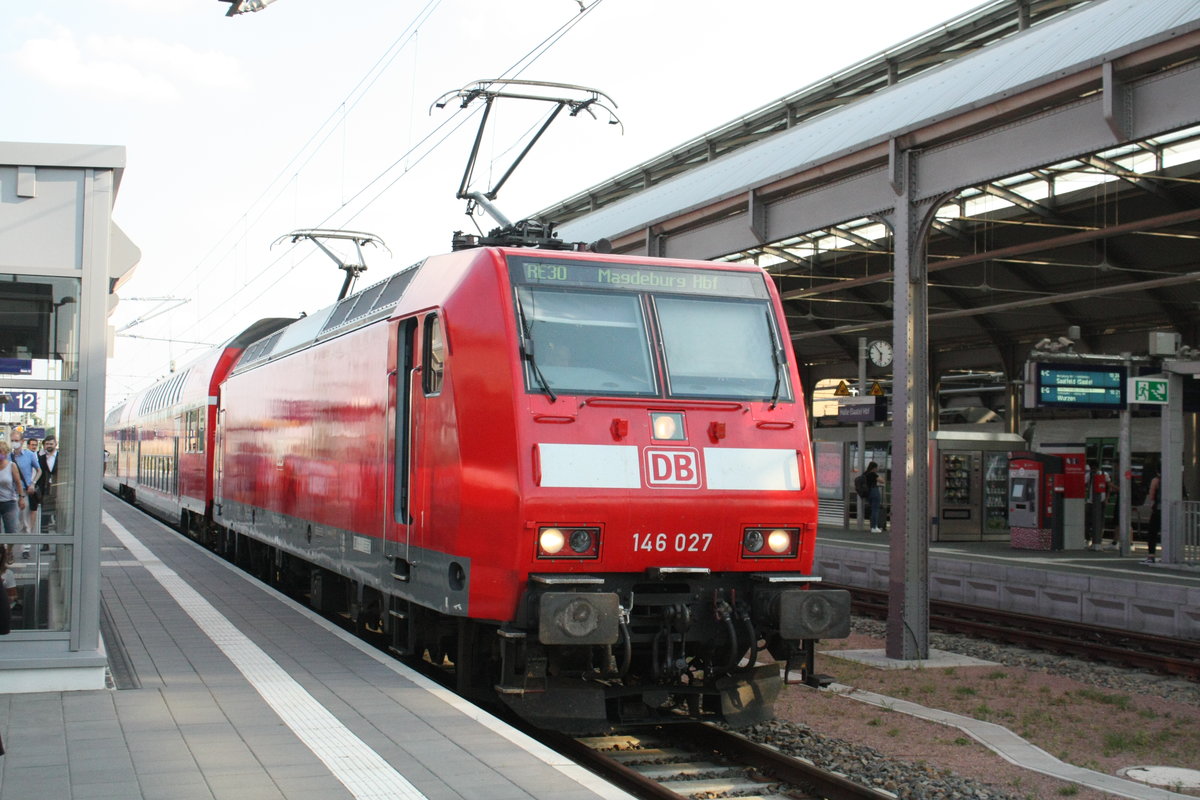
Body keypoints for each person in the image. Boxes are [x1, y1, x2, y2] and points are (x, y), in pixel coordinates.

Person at [10, 432, 41, 556]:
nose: (14, 443)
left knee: (26, 521)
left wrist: (33, 483)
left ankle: (26, 548)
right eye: (12, 440)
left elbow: (39, 470)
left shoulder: (29, 455)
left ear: (22, 441)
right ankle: (9, 550)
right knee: (12, 522)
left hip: (25, 492)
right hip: (10, 493)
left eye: (16, 440)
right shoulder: (7, 456)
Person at [0, 441, 28, 549]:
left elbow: (18, 482)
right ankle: (2, 553)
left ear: (5, 452)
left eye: (1, 452)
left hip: (9, 503)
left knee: (11, 531)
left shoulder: (11, 466)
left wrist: (21, 498)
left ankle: (9, 551)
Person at [37, 435, 59, 534]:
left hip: (58, 490)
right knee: (45, 516)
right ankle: (45, 542)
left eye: (51, 444)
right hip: (45, 490)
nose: (49, 446)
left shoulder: (61, 457)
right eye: (47, 444)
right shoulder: (40, 457)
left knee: (59, 515)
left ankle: (59, 539)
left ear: (55, 444)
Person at [1141, 463, 1161, 564]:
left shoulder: (1156, 480)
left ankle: (1151, 556)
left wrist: (1151, 507)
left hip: (1158, 510)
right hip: (1171, 511)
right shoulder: (1174, 479)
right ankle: (1169, 556)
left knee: (1152, 533)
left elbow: (1152, 496)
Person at [864, 461, 885, 533]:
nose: (877, 469)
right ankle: (874, 527)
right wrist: (877, 475)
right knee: (875, 510)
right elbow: (882, 481)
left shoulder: (865, 474)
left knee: (873, 510)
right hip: (874, 492)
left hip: (868, 493)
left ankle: (873, 526)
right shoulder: (873, 474)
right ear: (874, 468)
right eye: (876, 468)